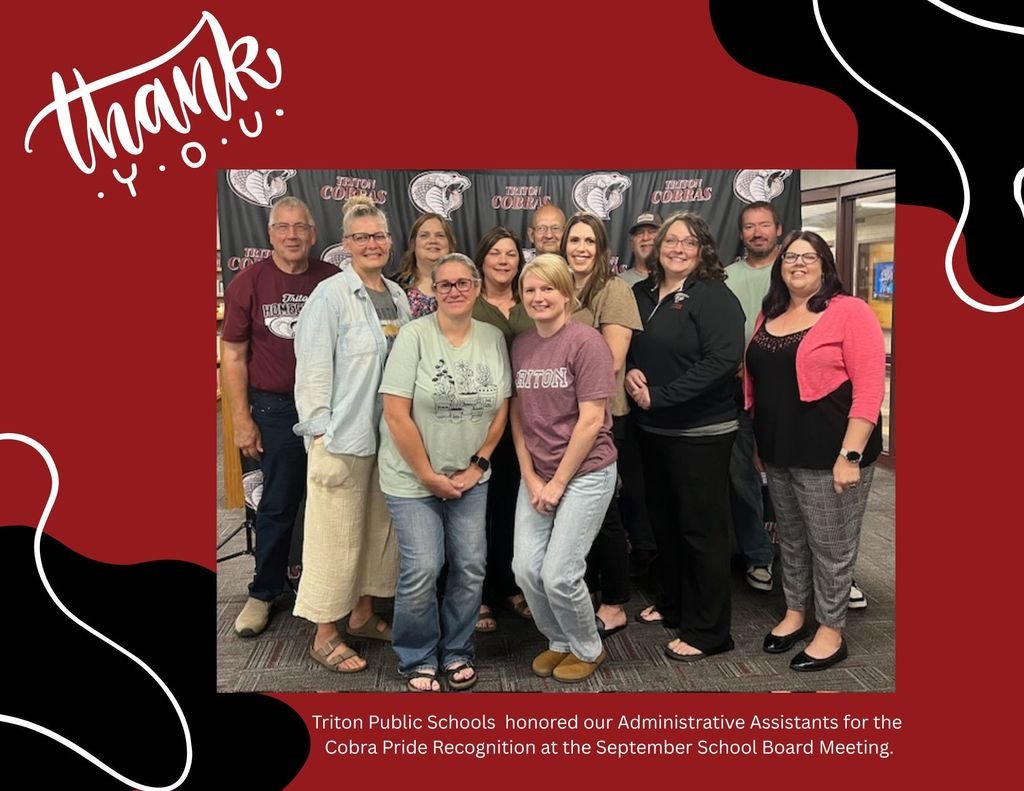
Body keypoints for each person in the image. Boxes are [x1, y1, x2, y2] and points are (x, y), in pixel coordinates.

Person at [744, 230, 884, 672]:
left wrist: (851, 455)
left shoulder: (850, 312)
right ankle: (796, 612)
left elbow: (868, 390)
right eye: (790, 257)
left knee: (832, 546)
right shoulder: (770, 314)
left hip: (831, 451)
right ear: (779, 266)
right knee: (793, 541)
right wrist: (760, 446)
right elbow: (758, 384)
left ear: (825, 264)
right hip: (779, 448)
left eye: (809, 256)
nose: (798, 263)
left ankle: (831, 628)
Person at [379, 252, 511, 691]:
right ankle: (417, 657)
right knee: (424, 566)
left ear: (476, 288)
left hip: (470, 477)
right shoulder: (414, 336)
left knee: (471, 565)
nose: (454, 291)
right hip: (412, 478)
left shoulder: (492, 336)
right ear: (433, 291)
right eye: (444, 284)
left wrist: (479, 465)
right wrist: (427, 474)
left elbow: (502, 408)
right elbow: (396, 413)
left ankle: (456, 651)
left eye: (462, 283)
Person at [292, 196, 411, 673]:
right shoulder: (330, 295)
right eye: (361, 237)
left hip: (388, 439)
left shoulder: (398, 297)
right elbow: (313, 371)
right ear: (346, 245)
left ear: (389, 241)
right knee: (334, 537)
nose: (371, 244)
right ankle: (324, 632)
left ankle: (362, 614)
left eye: (378, 236)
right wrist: (320, 437)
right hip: (342, 439)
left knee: (375, 532)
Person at [626, 212, 745, 661]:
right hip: (651, 431)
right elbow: (629, 345)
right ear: (656, 248)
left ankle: (710, 631)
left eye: (688, 242)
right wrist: (631, 372)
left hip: (701, 433)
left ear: (703, 251)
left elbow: (721, 361)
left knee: (702, 532)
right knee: (666, 527)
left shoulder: (714, 296)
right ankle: (674, 604)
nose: (677, 248)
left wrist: (662, 396)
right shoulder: (640, 294)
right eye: (670, 240)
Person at [221, 196, 338, 638]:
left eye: (300, 227)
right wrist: (241, 419)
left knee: (335, 502)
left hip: (330, 409)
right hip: (275, 408)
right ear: (270, 234)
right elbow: (232, 355)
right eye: (283, 227)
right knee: (277, 505)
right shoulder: (248, 282)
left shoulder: (332, 280)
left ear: (313, 234)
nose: (292, 235)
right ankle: (263, 591)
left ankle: (335, 591)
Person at [510, 254, 618, 684]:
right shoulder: (521, 344)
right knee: (525, 569)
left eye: (547, 288)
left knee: (560, 573)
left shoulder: (587, 341)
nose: (538, 297)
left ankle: (588, 648)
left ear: (567, 294)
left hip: (586, 472)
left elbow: (592, 420)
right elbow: (517, 417)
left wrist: (556, 483)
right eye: (530, 289)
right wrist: (532, 477)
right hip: (538, 475)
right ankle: (559, 639)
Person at [562, 213, 642, 640]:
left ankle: (613, 603)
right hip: (561, 423)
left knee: (605, 514)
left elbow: (612, 361)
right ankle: (589, 591)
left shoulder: (614, 290)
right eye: (574, 240)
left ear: (601, 247)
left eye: (589, 241)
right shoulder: (556, 288)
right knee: (576, 515)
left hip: (605, 417)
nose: (580, 248)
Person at [470, 227, 534, 632]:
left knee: (516, 510)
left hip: (528, 425)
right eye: (495, 252)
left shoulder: (531, 300)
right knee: (479, 515)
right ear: (482, 258)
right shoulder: (469, 304)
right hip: (480, 424)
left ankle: (513, 587)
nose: (504, 260)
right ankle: (480, 595)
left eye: (511, 253)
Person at [725, 201, 783, 591]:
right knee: (742, 478)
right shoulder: (726, 277)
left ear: (778, 229)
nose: (757, 232)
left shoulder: (795, 270)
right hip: (736, 393)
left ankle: (809, 560)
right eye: (750, 227)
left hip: (789, 399)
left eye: (764, 225)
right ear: (742, 233)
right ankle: (758, 555)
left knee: (794, 480)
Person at [394, 213, 456, 318]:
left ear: (449, 244)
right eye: (424, 235)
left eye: (440, 235)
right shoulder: (394, 286)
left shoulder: (465, 283)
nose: (433, 240)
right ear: (413, 244)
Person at [619, 211, 661, 287]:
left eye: (652, 232)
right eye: (640, 233)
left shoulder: (675, 280)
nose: (645, 238)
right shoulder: (618, 283)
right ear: (631, 243)